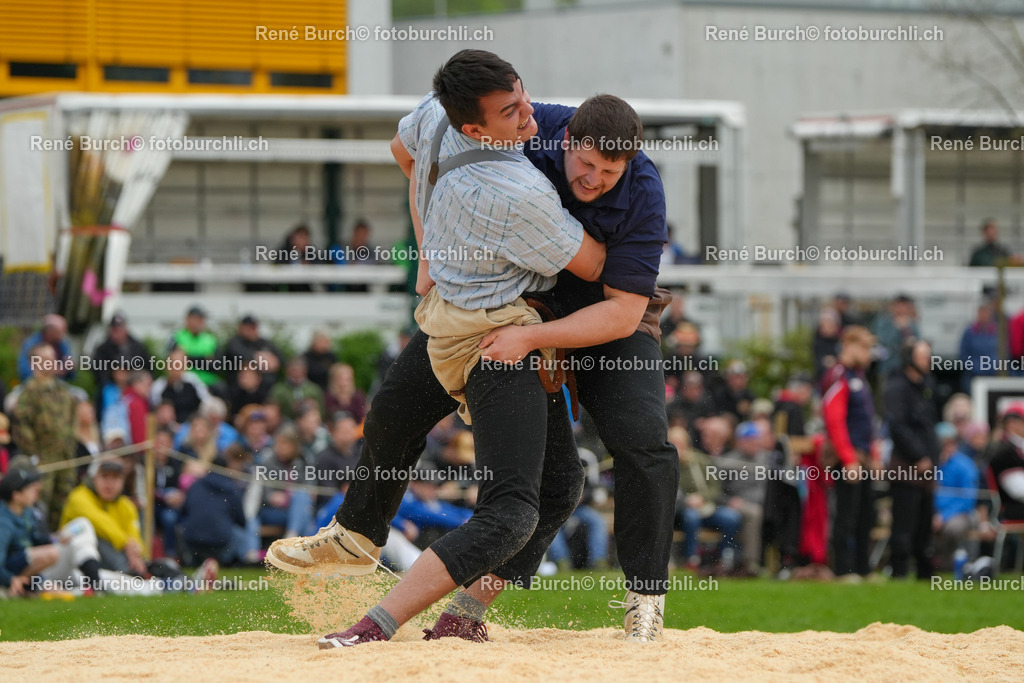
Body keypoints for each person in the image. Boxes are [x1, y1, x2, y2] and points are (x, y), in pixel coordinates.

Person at [271, 51, 674, 645]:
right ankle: (359, 536)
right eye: (583, 166)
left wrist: (531, 336)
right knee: (398, 409)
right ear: (475, 128)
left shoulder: (617, 182)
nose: (589, 181)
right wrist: (428, 249)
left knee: (644, 444)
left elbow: (622, 308)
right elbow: (407, 152)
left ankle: (644, 596)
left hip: (603, 316)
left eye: (605, 176)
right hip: (507, 307)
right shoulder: (524, 135)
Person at [822, 326, 878, 580]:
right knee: (846, 515)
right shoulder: (838, 375)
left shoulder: (860, 377)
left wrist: (873, 455)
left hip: (863, 456)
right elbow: (835, 421)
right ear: (850, 346)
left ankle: (863, 570)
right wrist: (849, 459)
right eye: (865, 348)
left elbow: (868, 421)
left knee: (866, 515)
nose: (869, 354)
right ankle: (843, 570)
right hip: (848, 459)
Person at [0, 457, 102, 596]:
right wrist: (10, 579)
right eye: (30, 486)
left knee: (63, 594)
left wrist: (54, 539)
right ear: (16, 495)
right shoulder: (4, 520)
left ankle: (93, 583)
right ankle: (19, 587)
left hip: (39, 567)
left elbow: (36, 539)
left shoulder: (28, 512)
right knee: (51, 556)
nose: (38, 488)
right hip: (18, 569)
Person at [885, 337, 939, 580]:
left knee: (924, 526)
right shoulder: (896, 387)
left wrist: (933, 456)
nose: (928, 360)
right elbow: (898, 427)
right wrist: (919, 455)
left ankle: (925, 574)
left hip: (927, 468)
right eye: (923, 355)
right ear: (910, 358)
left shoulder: (927, 385)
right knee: (904, 524)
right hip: (906, 467)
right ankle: (899, 573)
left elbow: (929, 426)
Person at [13, 343, 79, 531]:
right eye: (45, 359)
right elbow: (22, 425)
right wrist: (34, 454)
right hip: (43, 458)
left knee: (64, 502)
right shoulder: (29, 392)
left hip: (65, 456)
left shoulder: (63, 390)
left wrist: (70, 445)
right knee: (40, 505)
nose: (51, 362)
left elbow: (73, 417)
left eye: (52, 358)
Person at [60, 459, 146, 575]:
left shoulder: (126, 505)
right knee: (94, 534)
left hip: (113, 558)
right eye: (105, 476)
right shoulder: (78, 496)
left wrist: (135, 551)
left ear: (123, 481)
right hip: (72, 562)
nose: (109, 483)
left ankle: (132, 571)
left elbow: (134, 534)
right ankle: (126, 571)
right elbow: (100, 523)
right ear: (94, 478)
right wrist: (126, 543)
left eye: (115, 478)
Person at [713, 422, 770, 576]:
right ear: (740, 441)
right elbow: (715, 492)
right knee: (754, 512)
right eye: (751, 440)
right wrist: (729, 501)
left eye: (757, 439)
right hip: (739, 504)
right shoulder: (727, 462)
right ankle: (750, 563)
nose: (755, 443)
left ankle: (787, 563)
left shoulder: (766, 459)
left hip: (767, 503)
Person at [932, 422, 980, 569]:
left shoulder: (965, 465)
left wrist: (944, 516)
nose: (945, 447)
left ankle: (947, 565)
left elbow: (968, 499)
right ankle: (927, 563)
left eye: (949, 443)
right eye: (942, 443)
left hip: (962, 513)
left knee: (952, 528)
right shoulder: (933, 464)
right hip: (935, 513)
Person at [150, 347, 210, 423]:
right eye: (173, 363)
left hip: (192, 427)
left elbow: (207, 401)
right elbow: (154, 409)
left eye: (180, 363)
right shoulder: (158, 386)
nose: (177, 367)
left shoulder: (193, 380)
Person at [958, 301, 1001, 393]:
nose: (984, 315)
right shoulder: (970, 332)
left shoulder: (996, 332)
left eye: (986, 312)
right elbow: (963, 354)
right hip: (973, 377)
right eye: (981, 312)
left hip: (993, 376)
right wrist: (975, 368)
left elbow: (1002, 353)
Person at [17, 314, 73, 383]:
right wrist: (47, 372)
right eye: (60, 332)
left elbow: (71, 375)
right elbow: (24, 372)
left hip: (57, 384)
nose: (63, 335)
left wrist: (69, 369)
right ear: (50, 331)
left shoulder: (62, 344)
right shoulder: (30, 344)